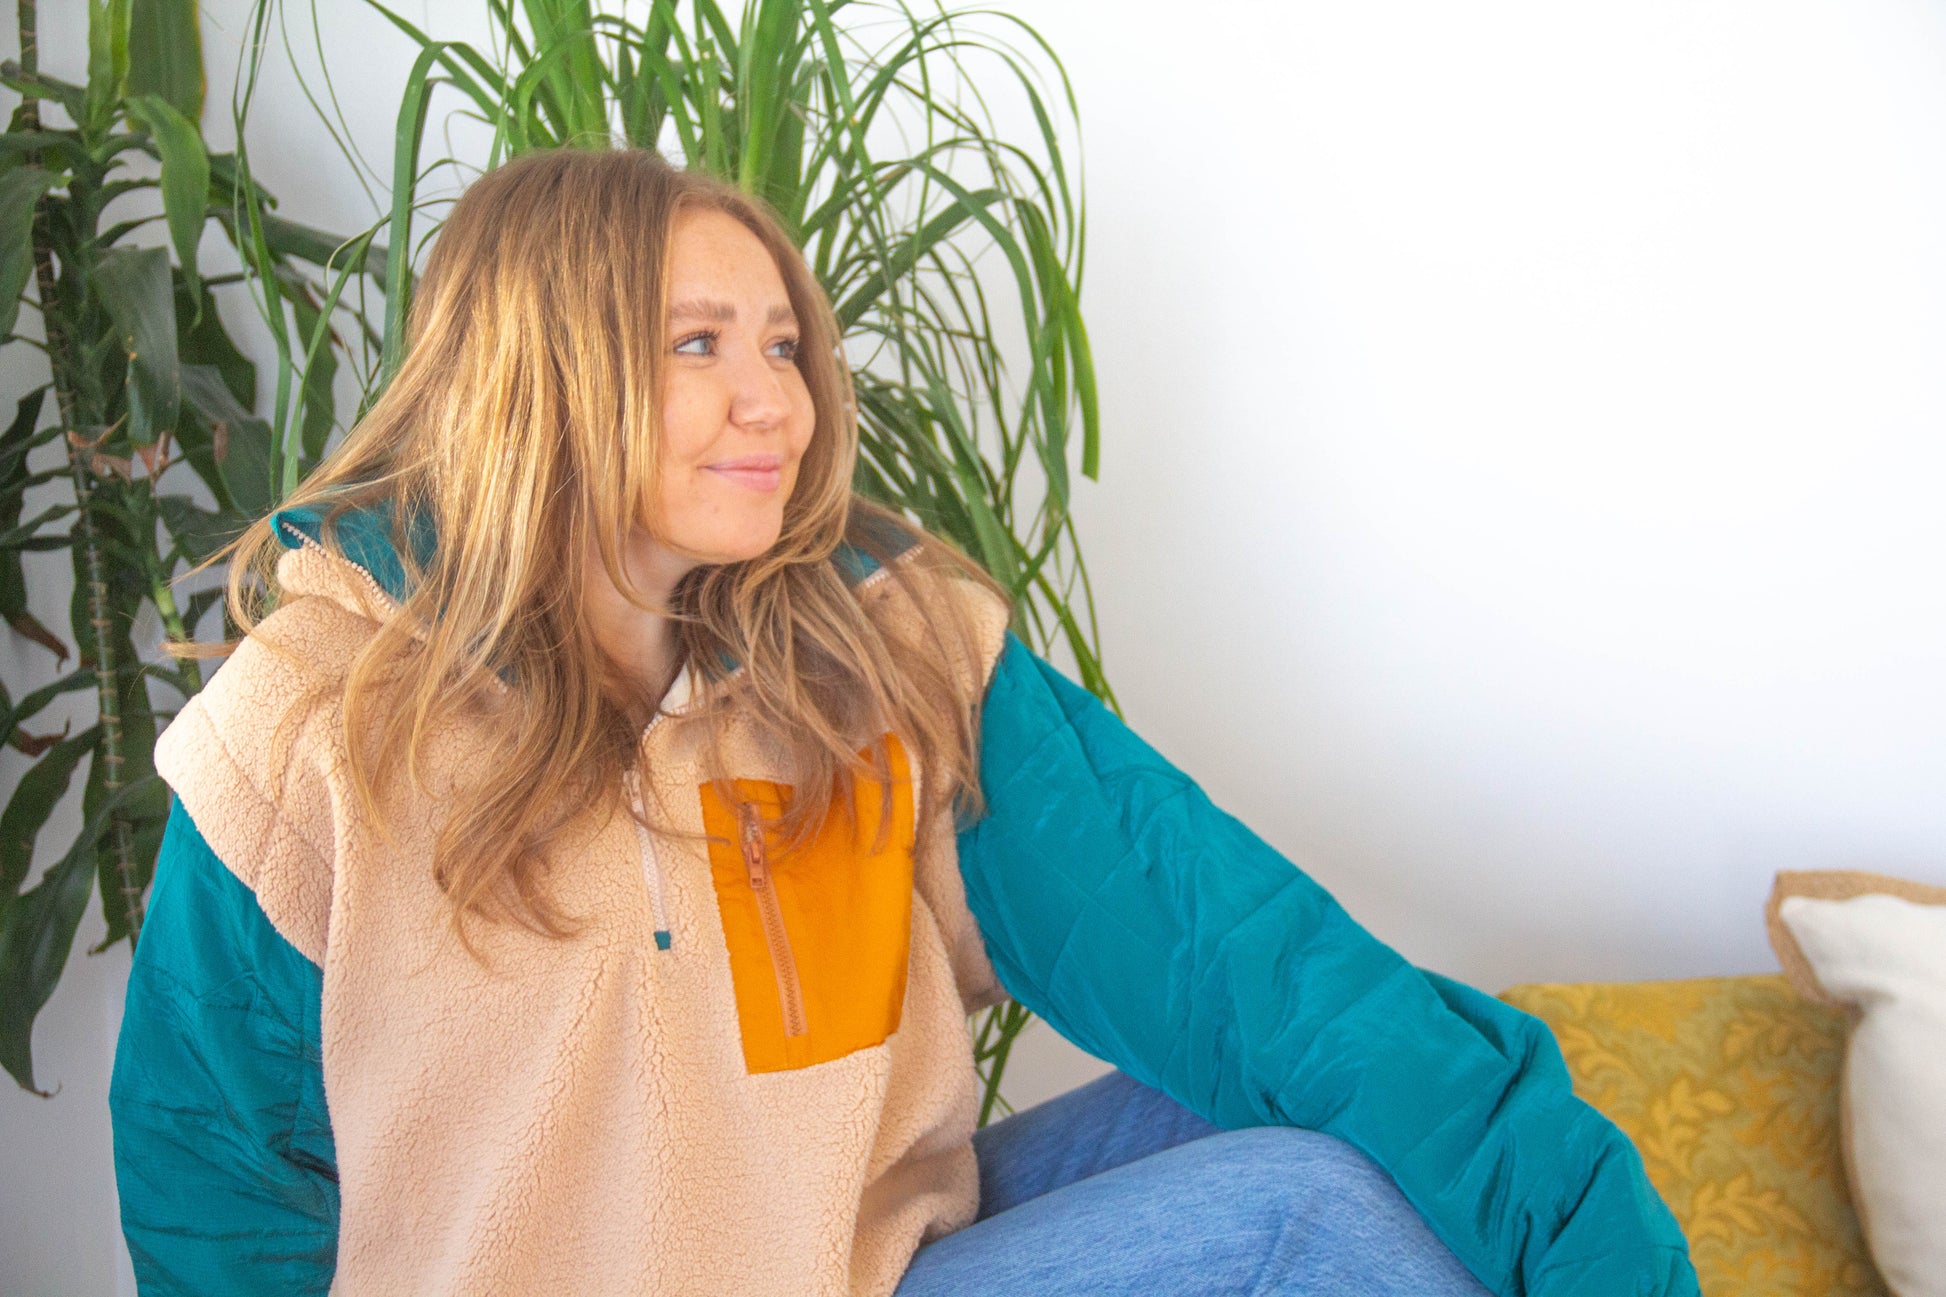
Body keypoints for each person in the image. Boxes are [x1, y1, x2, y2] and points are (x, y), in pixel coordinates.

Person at [109, 147, 1697, 1297]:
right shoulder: (316, 720)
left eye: (782, 344)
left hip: (855, 1256)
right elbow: (214, 1171)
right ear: (546, 370)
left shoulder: (874, 654)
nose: (778, 402)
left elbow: (1244, 963)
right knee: (1300, 1215)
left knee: (1315, 1096)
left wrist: (1594, 1254)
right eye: (697, 345)